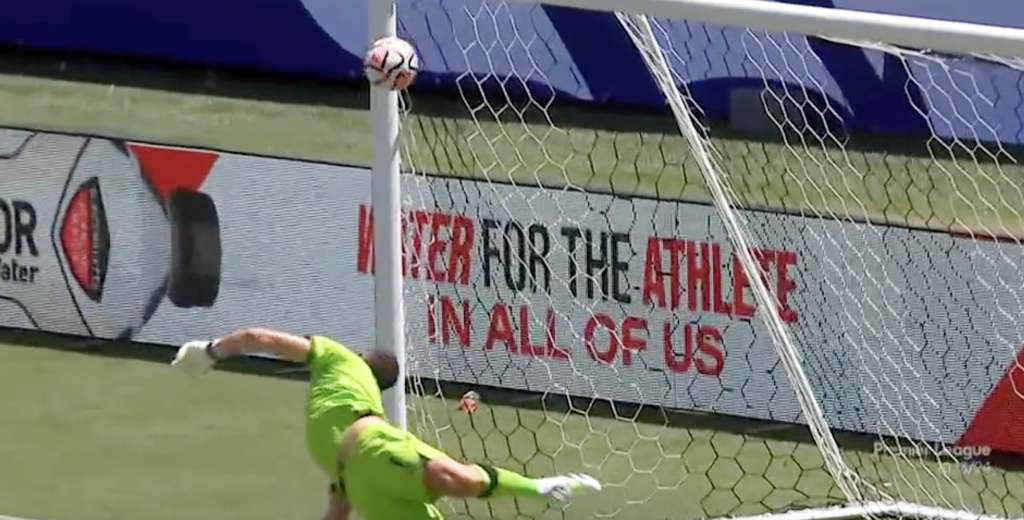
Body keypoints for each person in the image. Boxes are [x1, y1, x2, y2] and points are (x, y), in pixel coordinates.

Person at [171, 328, 601, 520]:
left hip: (372, 457)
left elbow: (256, 338)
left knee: (446, 476)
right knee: (450, 479)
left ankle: (541, 488)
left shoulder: (340, 362)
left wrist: (212, 351)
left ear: (362, 360)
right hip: (358, 482)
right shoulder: (352, 388)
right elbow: (338, 509)